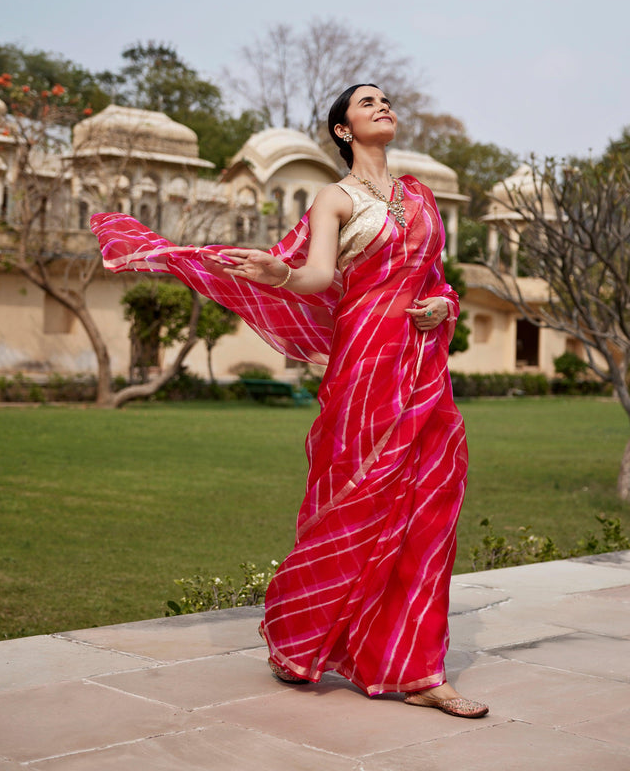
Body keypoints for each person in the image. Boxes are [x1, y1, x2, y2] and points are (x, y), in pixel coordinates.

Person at [91, 84, 488, 718]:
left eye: (386, 100)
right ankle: (304, 638)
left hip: (423, 370)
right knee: (355, 505)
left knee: (427, 509)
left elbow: (435, 277)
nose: (383, 107)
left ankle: (417, 669)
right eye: (367, 103)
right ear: (342, 130)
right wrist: (279, 273)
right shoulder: (334, 197)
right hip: (364, 368)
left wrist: (446, 304)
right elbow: (318, 278)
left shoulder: (419, 195)